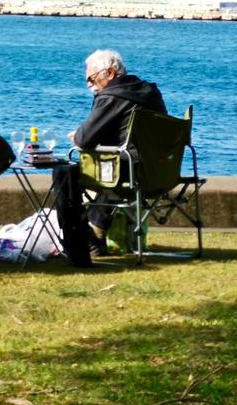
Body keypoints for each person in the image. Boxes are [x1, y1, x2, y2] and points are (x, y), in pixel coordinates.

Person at [54, 49, 166, 266]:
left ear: (111, 73)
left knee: (64, 173)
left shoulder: (112, 97)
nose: (89, 84)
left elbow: (84, 139)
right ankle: (95, 230)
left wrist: (77, 136)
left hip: (128, 171)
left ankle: (81, 241)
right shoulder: (150, 92)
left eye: (92, 78)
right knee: (111, 169)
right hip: (159, 171)